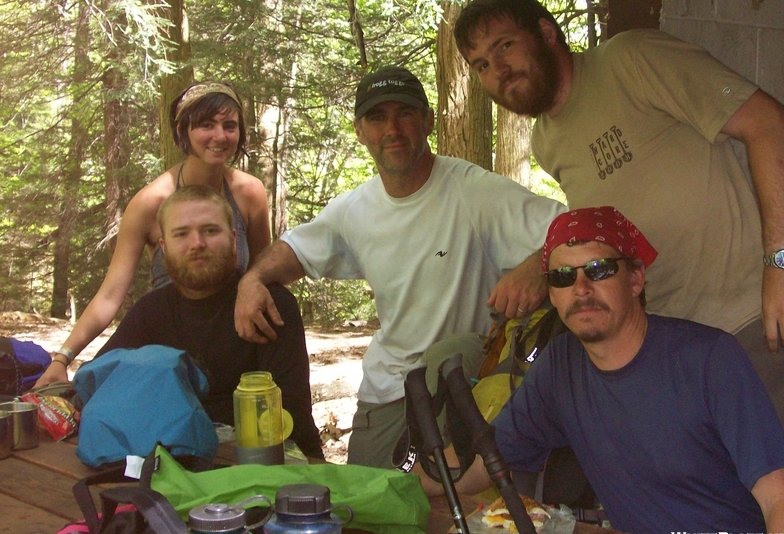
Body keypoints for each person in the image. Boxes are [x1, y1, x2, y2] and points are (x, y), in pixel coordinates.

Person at [453, 0, 784, 458]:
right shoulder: (546, 141)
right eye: (480, 65)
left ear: (545, 32)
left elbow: (772, 124)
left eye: (504, 46)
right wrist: (542, 264)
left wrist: (782, 265)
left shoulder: (632, 59)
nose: (497, 70)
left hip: (755, 323)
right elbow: (610, 234)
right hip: (672, 351)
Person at [234, 66, 566, 468]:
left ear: (427, 120)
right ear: (359, 130)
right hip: (387, 392)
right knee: (365, 507)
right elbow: (296, 251)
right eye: (377, 117)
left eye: (405, 113)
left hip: (462, 385)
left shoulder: (473, 192)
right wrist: (252, 279)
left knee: (440, 501)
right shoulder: (354, 210)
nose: (392, 128)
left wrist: (536, 265)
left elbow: (572, 228)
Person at [448, 207, 784, 534]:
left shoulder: (711, 359)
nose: (581, 288)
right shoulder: (560, 366)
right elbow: (484, 462)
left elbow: (780, 496)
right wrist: (404, 483)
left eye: (599, 269)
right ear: (552, 295)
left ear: (635, 278)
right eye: (563, 276)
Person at [34, 81, 270, 389]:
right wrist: (62, 359)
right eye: (206, 125)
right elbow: (110, 294)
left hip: (238, 341)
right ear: (182, 130)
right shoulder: (150, 203)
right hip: (171, 349)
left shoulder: (249, 193)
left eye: (230, 126)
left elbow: (265, 274)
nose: (219, 136)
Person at [91, 185, 323, 459]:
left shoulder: (269, 303)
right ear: (163, 247)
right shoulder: (150, 312)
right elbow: (102, 383)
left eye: (210, 231)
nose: (197, 243)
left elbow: (288, 411)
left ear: (233, 239)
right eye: (181, 234)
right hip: (180, 463)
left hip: (279, 463)